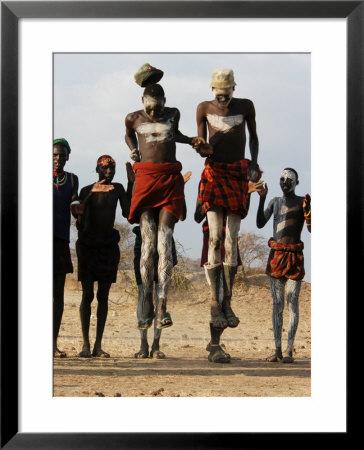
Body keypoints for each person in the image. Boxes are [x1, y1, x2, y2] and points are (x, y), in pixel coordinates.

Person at [125, 80, 206, 332]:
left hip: (170, 181)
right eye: (150, 108)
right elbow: (128, 135)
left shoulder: (173, 114)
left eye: (158, 108)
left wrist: (191, 139)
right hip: (145, 180)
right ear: (142, 102)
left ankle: (162, 306)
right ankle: (146, 302)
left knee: (164, 243)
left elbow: (174, 135)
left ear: (164, 102)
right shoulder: (132, 118)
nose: (154, 113)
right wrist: (133, 150)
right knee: (148, 244)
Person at [195, 68, 261, 363]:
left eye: (227, 93)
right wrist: (203, 147)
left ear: (234, 89)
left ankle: (227, 301)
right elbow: (201, 146)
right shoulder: (203, 109)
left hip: (236, 173)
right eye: (218, 93)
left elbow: (254, 138)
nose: (222, 98)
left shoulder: (245, 106)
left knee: (232, 241)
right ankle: (214, 301)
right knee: (215, 238)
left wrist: (254, 165)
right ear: (212, 90)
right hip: (214, 174)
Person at [75, 155, 132, 358]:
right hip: (88, 246)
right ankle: (85, 344)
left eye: (112, 169)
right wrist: (92, 193)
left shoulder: (117, 189)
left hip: (108, 247)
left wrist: (131, 182)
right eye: (104, 168)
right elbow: (79, 220)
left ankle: (98, 345)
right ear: (97, 169)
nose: (108, 172)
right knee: (87, 294)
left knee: (103, 296)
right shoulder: (85, 191)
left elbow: (128, 213)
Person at [132, 171, 191, 359]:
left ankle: (156, 345)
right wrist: (130, 182)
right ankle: (143, 345)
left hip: (165, 247)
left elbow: (182, 215)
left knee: (160, 297)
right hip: (143, 246)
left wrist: (180, 189)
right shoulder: (144, 190)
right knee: (144, 293)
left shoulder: (171, 193)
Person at [256, 168, 311, 363]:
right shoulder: (275, 202)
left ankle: (289, 351)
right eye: (282, 179)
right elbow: (260, 223)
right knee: (277, 304)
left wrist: (308, 210)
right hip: (276, 257)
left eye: (289, 179)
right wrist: (262, 198)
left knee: (292, 304)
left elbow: (312, 228)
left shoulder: (301, 203)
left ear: (297, 182)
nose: (284, 182)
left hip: (294, 257)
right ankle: (278, 350)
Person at [53, 138, 80, 357]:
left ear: (68, 157)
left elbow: (73, 202)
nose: (58, 159)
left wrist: (79, 212)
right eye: (54, 155)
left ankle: (51, 343)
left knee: (57, 296)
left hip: (61, 240)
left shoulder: (72, 179)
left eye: (62, 155)